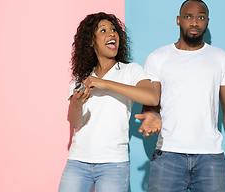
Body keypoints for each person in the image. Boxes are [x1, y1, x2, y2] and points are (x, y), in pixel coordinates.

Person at [137, 0, 225, 192]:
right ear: (178, 20)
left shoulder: (223, 59)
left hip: (210, 157)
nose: (194, 22)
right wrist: (152, 115)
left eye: (200, 17)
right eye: (188, 17)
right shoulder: (158, 57)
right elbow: (152, 102)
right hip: (167, 154)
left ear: (207, 22)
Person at [58, 12, 159, 192]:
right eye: (103, 30)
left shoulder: (130, 71)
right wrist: (77, 103)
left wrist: (105, 83)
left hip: (114, 164)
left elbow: (151, 97)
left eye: (114, 30)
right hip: (78, 162)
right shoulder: (80, 79)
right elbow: (75, 122)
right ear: (91, 41)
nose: (111, 34)